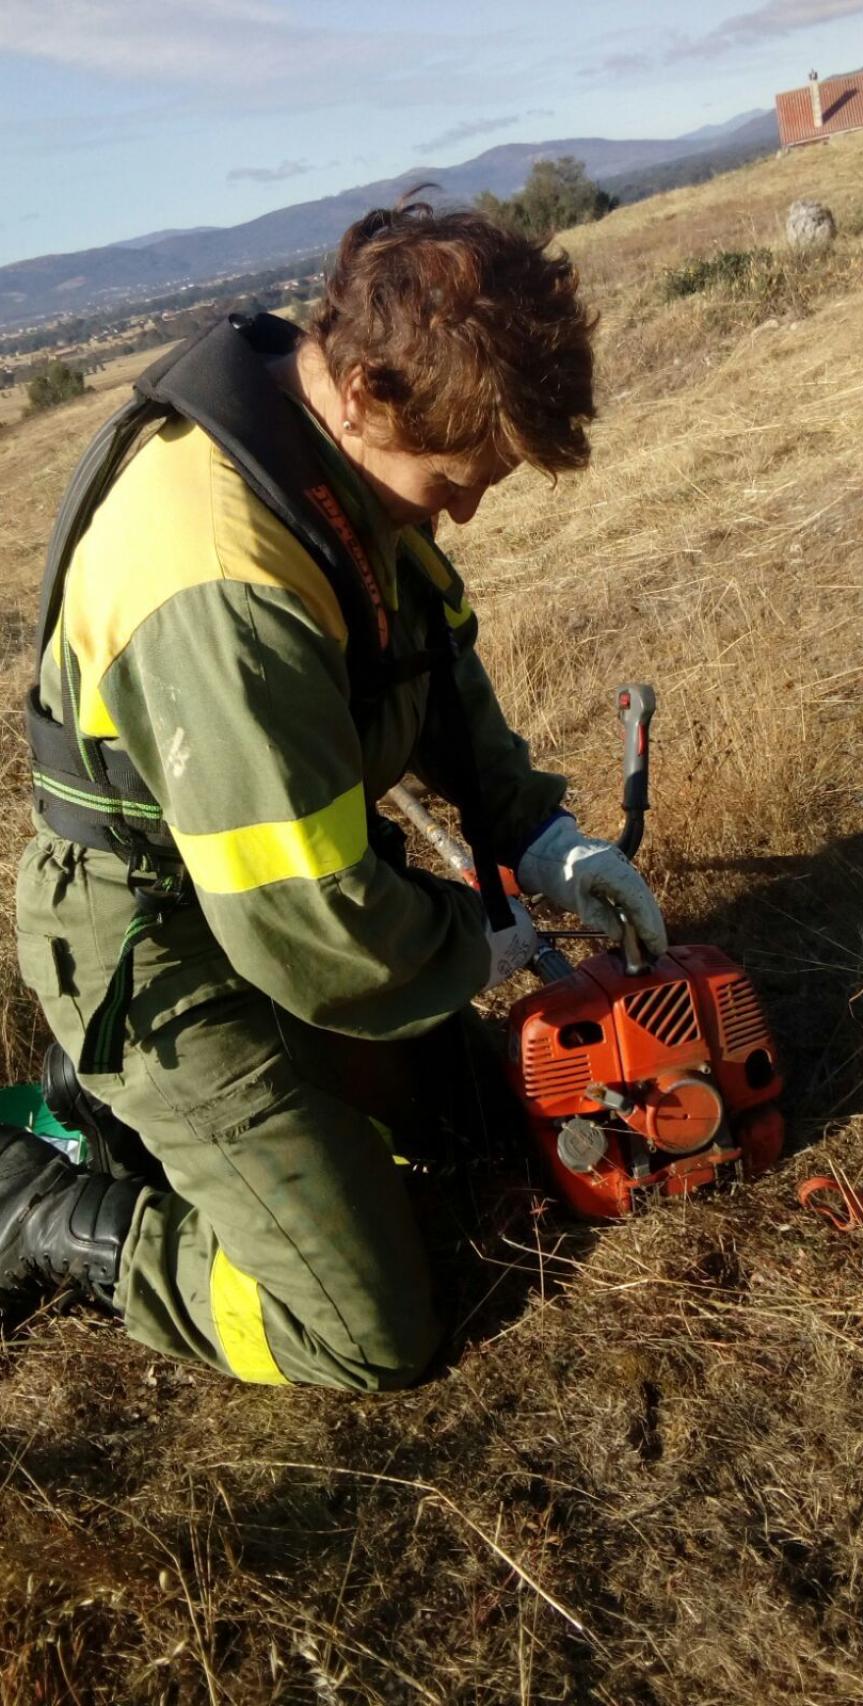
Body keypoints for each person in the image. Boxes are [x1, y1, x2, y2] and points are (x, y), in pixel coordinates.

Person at [3, 202, 666, 1390]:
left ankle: (98, 1092)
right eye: (451, 484)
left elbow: (432, 661)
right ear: (364, 388)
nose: (459, 513)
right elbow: (309, 927)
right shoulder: (219, 572)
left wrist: (541, 833)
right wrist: (481, 939)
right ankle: (43, 1205)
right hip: (161, 948)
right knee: (361, 1324)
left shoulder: (330, 457)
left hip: (273, 907)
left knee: (476, 1117)